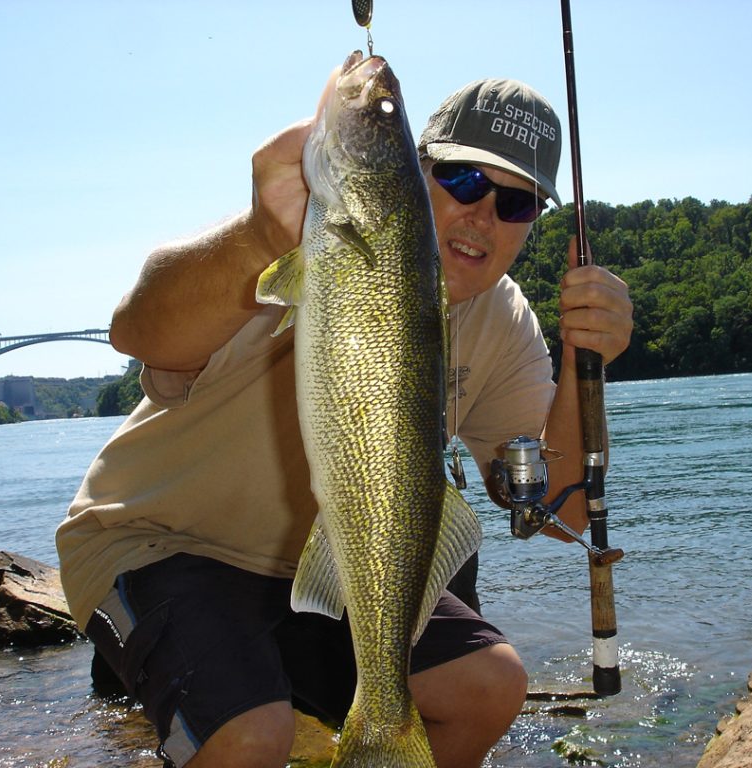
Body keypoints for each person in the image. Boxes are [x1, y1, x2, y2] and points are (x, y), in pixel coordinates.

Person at [56, 66, 633, 768]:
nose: (483, 214)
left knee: (490, 686)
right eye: (463, 182)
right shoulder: (301, 245)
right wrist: (255, 238)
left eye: (515, 202)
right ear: (416, 173)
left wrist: (585, 360)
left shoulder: (504, 321)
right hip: (160, 542)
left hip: (330, 564)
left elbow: (549, 505)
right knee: (249, 739)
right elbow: (135, 331)